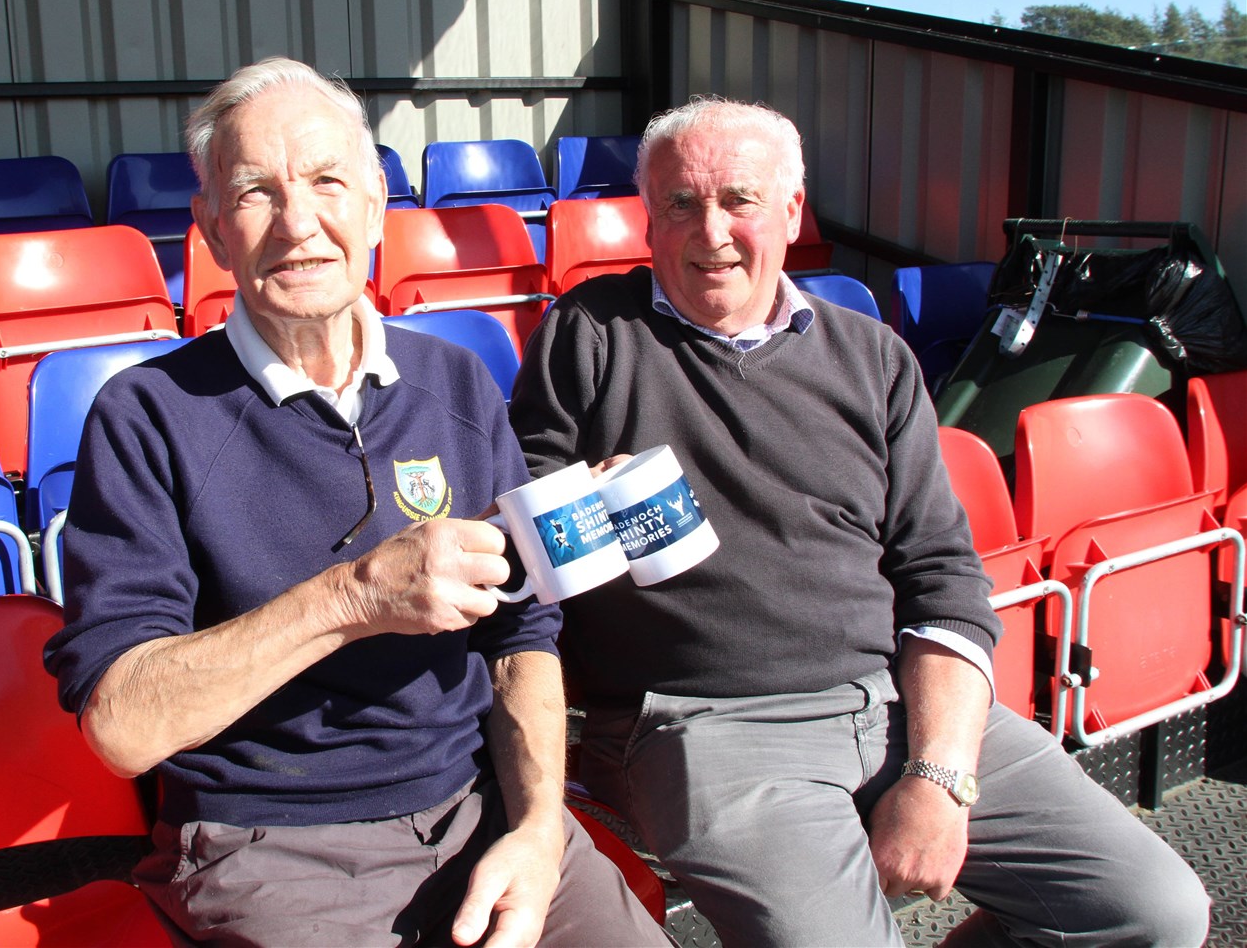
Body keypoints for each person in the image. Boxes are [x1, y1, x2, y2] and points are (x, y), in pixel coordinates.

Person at [509, 96, 1212, 947]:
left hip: (899, 703)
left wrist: (938, 775)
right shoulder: (591, 332)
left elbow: (943, 575)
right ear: (648, 218)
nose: (710, 232)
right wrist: (589, 498)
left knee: (1155, 914)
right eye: (680, 204)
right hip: (706, 722)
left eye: (740, 200)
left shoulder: (870, 353)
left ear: (792, 211)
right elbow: (528, 529)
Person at [44, 57, 668, 948]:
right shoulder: (146, 416)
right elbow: (123, 726)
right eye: (257, 192)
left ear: (377, 201)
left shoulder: (455, 377)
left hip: (482, 813)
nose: (300, 224)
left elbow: (518, 640)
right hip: (269, 847)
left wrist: (536, 831)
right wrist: (354, 595)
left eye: (328, 181)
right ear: (212, 229)